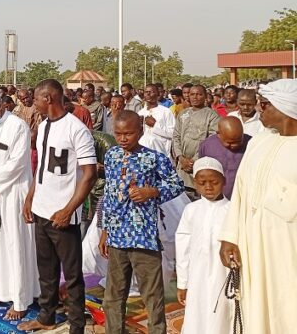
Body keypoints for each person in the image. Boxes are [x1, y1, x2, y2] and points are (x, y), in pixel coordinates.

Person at [18, 80, 97, 333]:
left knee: (72, 275)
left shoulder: (77, 129)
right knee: (46, 269)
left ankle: (76, 326)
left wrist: (68, 210)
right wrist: (31, 197)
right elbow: (42, 167)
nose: (33, 103)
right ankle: (47, 316)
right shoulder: (42, 127)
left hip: (63, 214)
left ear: (48, 98)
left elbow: (89, 174)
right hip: (41, 208)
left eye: (36, 99)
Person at [219, 79, 297, 334]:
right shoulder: (258, 142)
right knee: (256, 308)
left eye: (265, 105)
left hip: (287, 249)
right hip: (252, 245)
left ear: (285, 109)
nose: (258, 110)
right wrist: (229, 237)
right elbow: (240, 193)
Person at [98, 110, 184, 334]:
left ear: (140, 131)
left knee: (152, 295)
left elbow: (176, 185)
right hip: (117, 236)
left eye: (128, 133)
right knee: (114, 295)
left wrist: (152, 192)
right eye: (118, 134)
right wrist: (105, 229)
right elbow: (109, 194)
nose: (123, 138)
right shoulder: (112, 155)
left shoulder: (154, 158)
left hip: (143, 237)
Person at [0, 91, 39, 320]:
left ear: (0, 107)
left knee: (16, 245)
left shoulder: (18, 126)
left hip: (14, 194)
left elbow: (18, 163)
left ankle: (21, 300)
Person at [176, 157, 232, 334]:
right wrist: (182, 282)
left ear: (224, 181)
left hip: (224, 276)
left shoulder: (232, 210)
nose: (208, 187)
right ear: (195, 183)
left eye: (214, 182)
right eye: (202, 183)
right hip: (197, 277)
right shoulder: (191, 210)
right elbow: (182, 247)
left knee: (222, 315)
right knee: (197, 314)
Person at [173, 85, 220, 197]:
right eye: (192, 94)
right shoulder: (183, 114)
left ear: (205, 96)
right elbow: (176, 136)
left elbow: (212, 142)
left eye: (199, 94)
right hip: (182, 165)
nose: (195, 97)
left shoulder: (212, 115)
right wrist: (180, 157)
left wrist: (193, 161)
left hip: (199, 164)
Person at [198, 116, 250, 200]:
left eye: (238, 141)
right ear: (219, 134)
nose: (234, 145)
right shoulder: (207, 146)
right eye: (229, 143)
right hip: (216, 199)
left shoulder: (251, 143)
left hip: (243, 197)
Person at [138, 84, 176, 158]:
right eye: (146, 92)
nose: (148, 94)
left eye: (151, 92)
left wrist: (155, 125)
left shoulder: (166, 112)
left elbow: (173, 134)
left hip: (161, 153)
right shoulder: (140, 113)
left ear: (158, 94)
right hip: (143, 154)